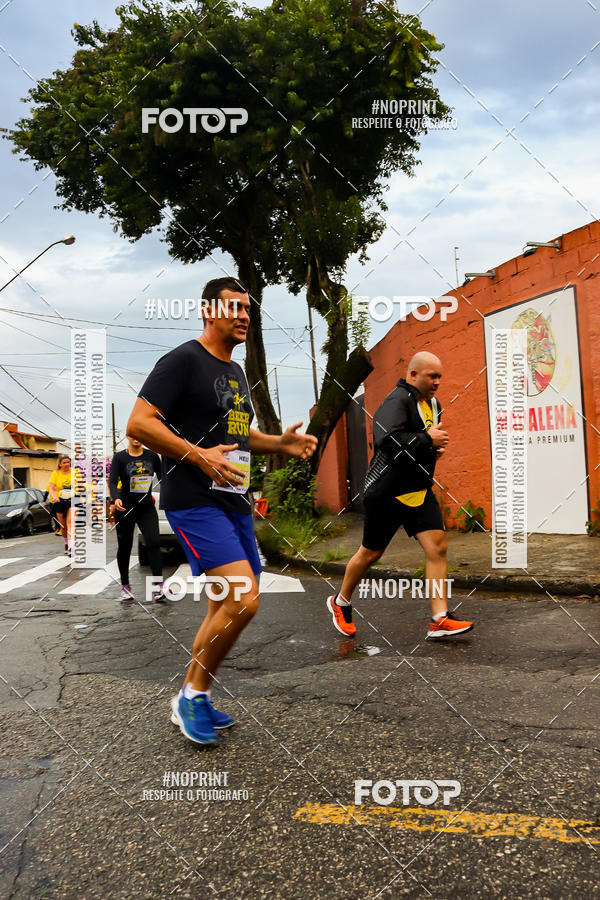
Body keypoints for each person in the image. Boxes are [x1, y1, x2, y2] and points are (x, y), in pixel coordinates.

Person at [127, 277, 317, 745]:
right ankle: (190, 696)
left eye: (248, 310)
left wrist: (280, 444)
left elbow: (239, 435)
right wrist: (198, 454)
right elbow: (139, 422)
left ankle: (196, 695)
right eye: (234, 307)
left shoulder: (234, 373)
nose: (244, 316)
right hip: (193, 500)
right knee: (242, 598)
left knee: (223, 604)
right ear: (208, 311)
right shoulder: (182, 361)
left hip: (233, 499)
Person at [326, 351, 474, 640]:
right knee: (371, 553)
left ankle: (439, 618)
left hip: (417, 490)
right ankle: (340, 602)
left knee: (437, 547)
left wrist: (433, 449)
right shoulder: (397, 400)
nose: (438, 382)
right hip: (387, 491)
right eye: (432, 376)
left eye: (440, 376)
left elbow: (420, 443)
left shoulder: (433, 404)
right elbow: (386, 439)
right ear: (414, 374)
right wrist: (426, 440)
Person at [108, 435, 164, 602]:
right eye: (133, 436)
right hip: (125, 507)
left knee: (154, 542)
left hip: (146, 506)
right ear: (128, 437)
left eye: (139, 435)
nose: (137, 439)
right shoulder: (120, 457)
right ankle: (125, 586)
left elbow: (163, 479)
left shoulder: (152, 456)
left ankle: (158, 587)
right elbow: (112, 481)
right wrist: (115, 498)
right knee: (125, 546)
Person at [48, 455, 74, 555]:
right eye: (64, 462)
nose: (67, 464)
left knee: (70, 523)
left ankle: (72, 546)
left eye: (68, 462)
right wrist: (54, 496)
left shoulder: (75, 472)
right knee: (63, 526)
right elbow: (51, 488)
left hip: (72, 500)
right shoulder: (55, 473)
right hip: (60, 501)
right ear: (60, 464)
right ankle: (67, 543)